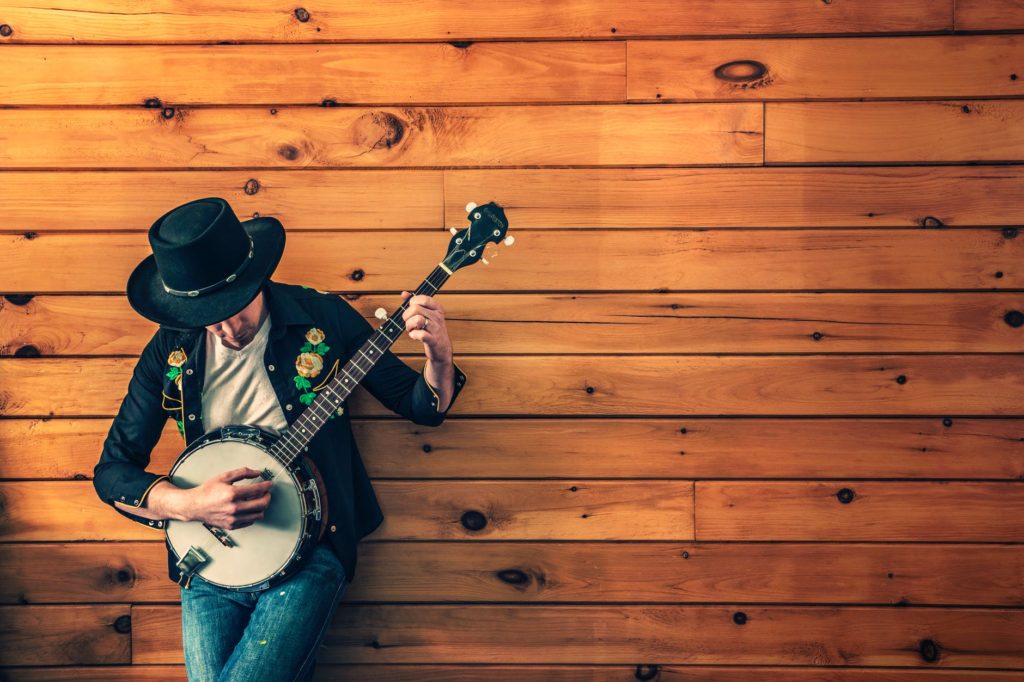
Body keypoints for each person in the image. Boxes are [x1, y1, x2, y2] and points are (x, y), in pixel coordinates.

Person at [91, 196, 467, 681]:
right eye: (207, 314)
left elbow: (420, 407)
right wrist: (190, 506)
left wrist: (439, 353)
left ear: (255, 278)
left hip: (312, 549)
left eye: (232, 307)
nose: (225, 328)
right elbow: (112, 472)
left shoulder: (323, 318)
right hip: (208, 561)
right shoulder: (171, 347)